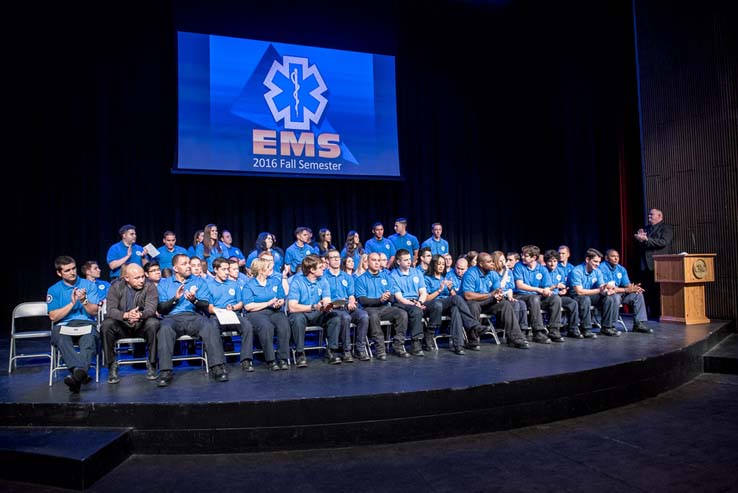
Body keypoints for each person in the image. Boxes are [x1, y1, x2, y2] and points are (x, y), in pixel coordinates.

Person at [155, 253, 229, 387]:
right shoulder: (164, 283)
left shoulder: (199, 281)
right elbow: (161, 309)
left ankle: (217, 367)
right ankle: (165, 371)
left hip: (194, 316)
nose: (188, 266)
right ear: (175, 268)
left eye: (189, 262)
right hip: (172, 318)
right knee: (164, 328)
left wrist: (194, 300)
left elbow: (205, 305)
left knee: (209, 325)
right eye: (184, 264)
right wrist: (175, 299)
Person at [46, 256, 101, 393]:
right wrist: (72, 303)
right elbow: (53, 316)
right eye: (67, 270)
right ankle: (81, 372)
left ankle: (76, 375)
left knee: (89, 338)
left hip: (86, 322)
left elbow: (94, 312)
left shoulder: (88, 285)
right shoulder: (54, 290)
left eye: (73, 268)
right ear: (59, 273)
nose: (72, 272)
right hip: (64, 324)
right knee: (60, 337)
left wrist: (84, 301)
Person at [100, 263, 159, 383]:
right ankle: (112, 366)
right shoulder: (116, 286)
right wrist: (126, 315)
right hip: (122, 325)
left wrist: (139, 315)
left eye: (143, 276)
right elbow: (110, 310)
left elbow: (151, 309)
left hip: (141, 325)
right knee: (106, 325)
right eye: (137, 278)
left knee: (153, 323)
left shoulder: (150, 286)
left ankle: (152, 364)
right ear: (126, 278)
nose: (142, 280)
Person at [461, 252, 529, 350]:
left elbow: (497, 290)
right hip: (472, 302)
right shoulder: (471, 273)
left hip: (487, 302)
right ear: (481, 264)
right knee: (473, 305)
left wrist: (499, 296)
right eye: (489, 262)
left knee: (505, 304)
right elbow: (467, 296)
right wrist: (490, 295)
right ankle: (472, 341)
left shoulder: (493, 273)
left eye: (492, 261)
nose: (493, 263)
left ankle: (516, 338)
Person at [288, 254, 346, 366]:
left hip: (318, 313)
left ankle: (331, 351)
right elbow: (292, 306)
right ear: (311, 270)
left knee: (334, 317)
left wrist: (328, 306)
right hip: (302, 313)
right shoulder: (297, 282)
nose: (323, 268)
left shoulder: (323, 281)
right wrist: (313, 307)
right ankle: (300, 353)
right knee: (297, 319)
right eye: (320, 267)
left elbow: (326, 300)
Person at [424, 254, 485, 355]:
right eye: (438, 264)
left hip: (445, 304)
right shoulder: (427, 278)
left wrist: (450, 289)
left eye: (443, 264)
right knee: (456, 299)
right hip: (433, 305)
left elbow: (453, 297)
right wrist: (439, 290)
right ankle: (474, 325)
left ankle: (458, 345)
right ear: (433, 264)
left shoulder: (445, 277)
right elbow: (426, 298)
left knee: (456, 309)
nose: (441, 266)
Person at [206, 258, 256, 372]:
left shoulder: (234, 284)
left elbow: (240, 303)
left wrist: (233, 307)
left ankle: (246, 360)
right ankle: (219, 363)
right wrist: (221, 311)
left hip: (233, 314)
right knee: (212, 328)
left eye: (228, 269)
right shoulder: (209, 285)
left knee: (247, 325)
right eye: (223, 269)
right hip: (217, 316)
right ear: (215, 270)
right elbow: (209, 308)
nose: (227, 272)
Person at [354, 252, 405, 361]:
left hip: (385, 308)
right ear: (367, 262)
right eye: (374, 260)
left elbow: (392, 296)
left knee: (402, 313)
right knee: (373, 316)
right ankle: (380, 349)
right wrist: (380, 299)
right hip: (369, 308)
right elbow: (362, 300)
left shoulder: (386, 277)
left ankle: (398, 345)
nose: (377, 263)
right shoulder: (361, 279)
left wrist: (388, 297)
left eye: (378, 260)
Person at [242, 257, 290, 371]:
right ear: (261, 270)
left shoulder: (274, 281)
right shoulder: (249, 285)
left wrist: (279, 302)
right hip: (256, 313)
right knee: (266, 327)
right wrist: (267, 303)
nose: (271, 269)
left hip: (274, 311)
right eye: (268, 268)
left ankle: (283, 358)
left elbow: (281, 297)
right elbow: (248, 306)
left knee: (284, 325)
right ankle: (271, 360)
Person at [324, 248, 369, 361]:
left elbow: (351, 295)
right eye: (333, 258)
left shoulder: (347, 277)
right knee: (345, 317)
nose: (336, 260)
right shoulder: (323, 277)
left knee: (363, 315)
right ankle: (346, 350)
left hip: (346, 307)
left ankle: (360, 349)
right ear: (327, 260)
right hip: (333, 309)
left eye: (337, 257)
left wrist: (351, 301)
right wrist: (334, 304)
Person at [513, 245, 563, 343]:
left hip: (537, 297)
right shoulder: (519, 266)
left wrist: (546, 290)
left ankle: (554, 330)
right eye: (522, 255)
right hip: (521, 296)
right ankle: (538, 332)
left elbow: (547, 285)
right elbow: (520, 285)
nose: (522, 257)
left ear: (534, 258)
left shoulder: (542, 269)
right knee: (534, 298)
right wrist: (538, 290)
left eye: (525, 255)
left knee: (555, 298)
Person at [568, 248, 621, 338]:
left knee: (608, 298)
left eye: (599, 262)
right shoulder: (576, 271)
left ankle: (606, 328)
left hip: (589, 294)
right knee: (585, 299)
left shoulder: (597, 271)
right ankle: (586, 329)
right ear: (587, 260)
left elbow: (601, 287)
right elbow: (579, 292)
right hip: (575, 296)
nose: (598, 264)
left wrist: (607, 291)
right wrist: (599, 290)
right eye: (595, 261)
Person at [600, 249, 652, 333]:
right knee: (615, 297)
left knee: (638, 295)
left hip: (619, 292)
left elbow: (627, 284)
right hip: (606, 294)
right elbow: (606, 288)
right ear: (606, 258)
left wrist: (634, 288)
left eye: (617, 257)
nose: (616, 259)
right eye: (613, 256)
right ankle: (611, 326)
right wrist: (626, 289)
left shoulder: (621, 269)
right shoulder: (601, 268)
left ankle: (638, 324)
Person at [634, 208, 674, 318]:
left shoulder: (666, 228)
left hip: (658, 264)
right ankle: (647, 314)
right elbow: (643, 245)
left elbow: (663, 242)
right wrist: (640, 239)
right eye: (648, 215)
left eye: (652, 215)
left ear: (659, 216)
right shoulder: (646, 228)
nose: (649, 217)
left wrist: (646, 239)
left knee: (658, 291)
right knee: (646, 290)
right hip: (645, 265)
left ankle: (659, 314)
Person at [390, 249, 428, 356]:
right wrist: (415, 304)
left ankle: (429, 337)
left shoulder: (417, 272)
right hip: (402, 302)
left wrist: (419, 302)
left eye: (409, 259)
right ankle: (416, 343)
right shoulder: (393, 275)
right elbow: (399, 298)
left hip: (418, 301)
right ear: (398, 262)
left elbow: (423, 292)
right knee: (416, 311)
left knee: (436, 306)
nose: (409, 262)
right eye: (405, 260)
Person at [543, 249, 583, 339]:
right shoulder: (543, 271)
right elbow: (541, 289)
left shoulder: (560, 271)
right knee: (556, 300)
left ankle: (573, 329)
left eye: (554, 261)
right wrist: (555, 286)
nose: (552, 264)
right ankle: (554, 330)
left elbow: (563, 285)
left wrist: (563, 290)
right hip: (544, 297)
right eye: (549, 261)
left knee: (572, 302)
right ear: (546, 262)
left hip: (557, 296)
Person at [490, 251, 530, 339]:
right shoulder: (492, 273)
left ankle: (522, 330)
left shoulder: (509, 272)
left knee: (521, 303)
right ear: (495, 261)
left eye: (504, 260)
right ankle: (512, 333)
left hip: (506, 295)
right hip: (496, 297)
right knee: (514, 305)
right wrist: (506, 272)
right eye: (501, 261)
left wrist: (511, 297)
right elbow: (500, 286)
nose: (504, 263)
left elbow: (510, 288)